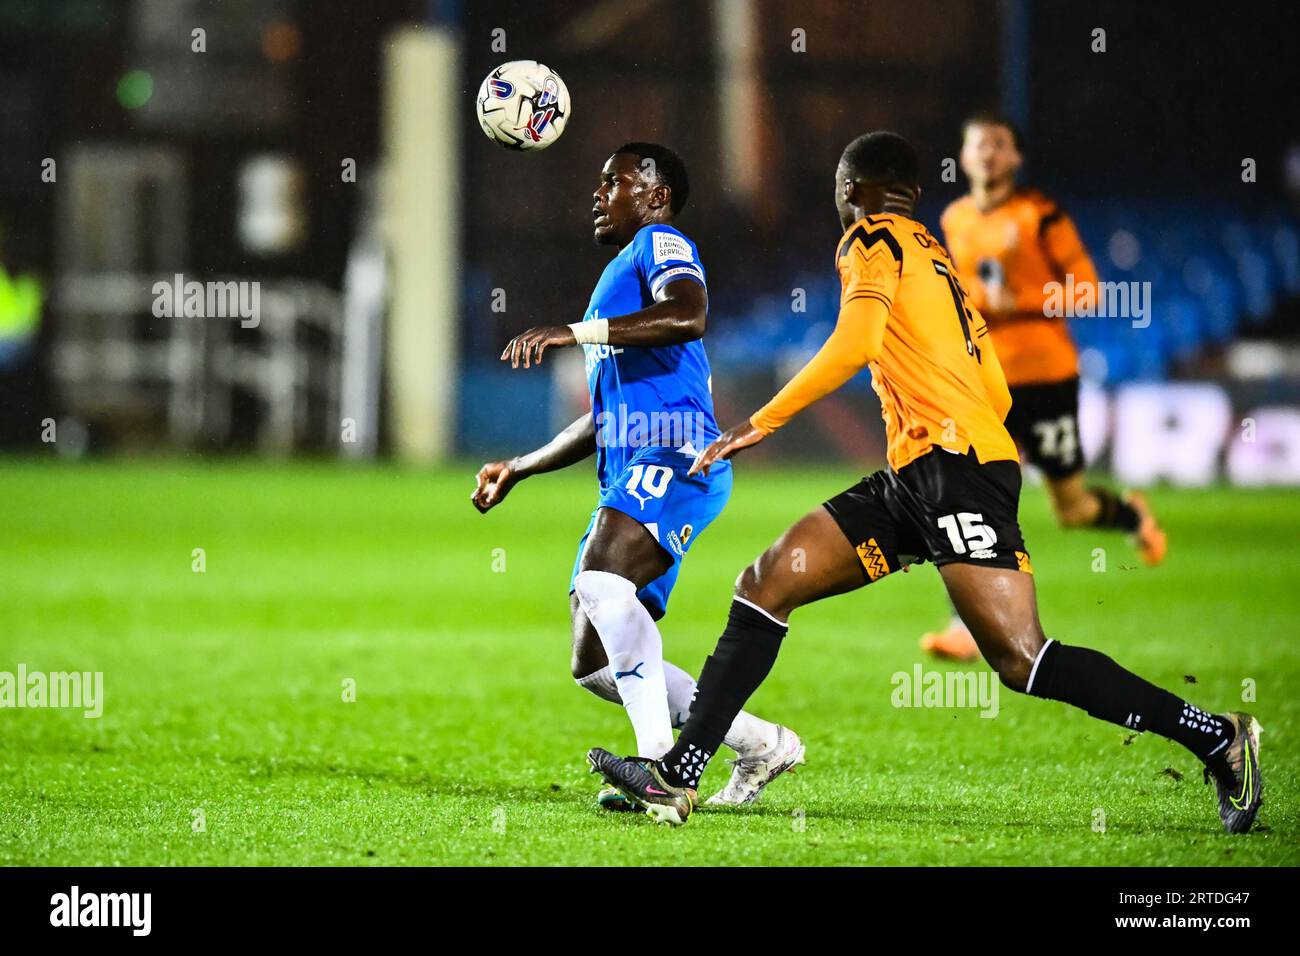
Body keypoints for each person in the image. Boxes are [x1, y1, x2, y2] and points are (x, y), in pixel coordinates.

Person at [587, 132, 1262, 834]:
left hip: (952, 469)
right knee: (766, 583)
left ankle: (1216, 736)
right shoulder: (938, 258)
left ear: (850, 192)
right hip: (927, 472)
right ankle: (678, 774)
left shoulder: (870, 239)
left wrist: (763, 421)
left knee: (1021, 658)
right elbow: (995, 391)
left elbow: (856, 341)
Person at [474, 143, 803, 810]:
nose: (599, 193)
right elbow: (600, 419)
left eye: (614, 181)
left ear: (655, 194)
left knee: (601, 581)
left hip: (677, 454)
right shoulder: (620, 281)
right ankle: (762, 743)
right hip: (635, 468)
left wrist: (574, 330)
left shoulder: (661, 240)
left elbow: (690, 312)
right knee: (595, 661)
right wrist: (521, 467)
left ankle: (660, 769)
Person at [922, 113, 1166, 661]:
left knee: (1071, 509)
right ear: (963, 157)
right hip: (985, 381)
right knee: (965, 494)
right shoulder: (954, 217)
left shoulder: (1041, 216)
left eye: (999, 145)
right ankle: (967, 623)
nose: (987, 153)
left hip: (1047, 377)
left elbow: (1089, 292)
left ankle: (1131, 515)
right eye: (978, 145)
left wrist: (1023, 304)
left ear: (1015, 159)